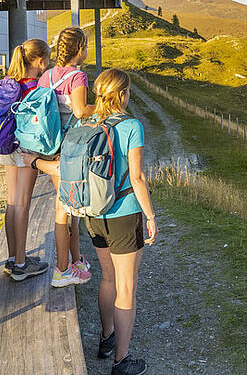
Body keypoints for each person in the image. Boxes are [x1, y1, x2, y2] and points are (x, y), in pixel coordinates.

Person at [86, 68, 156, 375]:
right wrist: (150, 216)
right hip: (124, 214)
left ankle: (106, 339)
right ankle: (122, 361)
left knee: (108, 278)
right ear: (123, 94)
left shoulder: (86, 121)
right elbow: (138, 177)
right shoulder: (131, 125)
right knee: (127, 287)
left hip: (93, 214)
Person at [27, 27, 95, 286]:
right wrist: (100, 107)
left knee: (72, 209)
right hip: (68, 151)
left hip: (48, 146)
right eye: (85, 46)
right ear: (79, 49)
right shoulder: (78, 77)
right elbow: (79, 111)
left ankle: (76, 260)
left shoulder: (47, 75)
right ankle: (62, 269)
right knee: (64, 210)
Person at [0, 39, 50, 281]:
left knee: (12, 201)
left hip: (6, 145)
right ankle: (21, 264)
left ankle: (12, 257)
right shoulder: (33, 89)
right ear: (40, 61)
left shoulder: (11, 84)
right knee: (22, 203)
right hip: (26, 150)